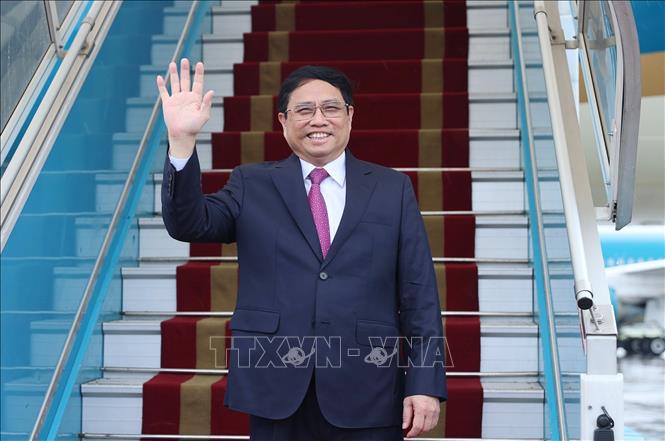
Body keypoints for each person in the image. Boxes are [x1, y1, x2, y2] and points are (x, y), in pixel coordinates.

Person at [157, 58, 447, 440]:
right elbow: (189, 224)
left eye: (330, 108)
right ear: (283, 121)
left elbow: (419, 294)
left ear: (350, 116)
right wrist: (182, 141)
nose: (318, 120)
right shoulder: (251, 184)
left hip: (368, 386)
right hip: (275, 384)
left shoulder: (392, 189)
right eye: (304, 110)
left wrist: (424, 383)